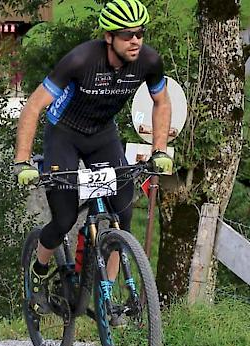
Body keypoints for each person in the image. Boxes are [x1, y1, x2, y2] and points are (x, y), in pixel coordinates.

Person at [13, 0, 174, 317]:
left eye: (140, 33)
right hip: (65, 134)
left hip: (103, 135)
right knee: (64, 217)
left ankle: (106, 295)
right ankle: (40, 270)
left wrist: (160, 150)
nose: (136, 41)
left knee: (123, 212)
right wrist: (22, 161)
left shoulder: (150, 61)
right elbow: (33, 106)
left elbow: (162, 102)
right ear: (108, 36)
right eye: (127, 35)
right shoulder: (80, 60)